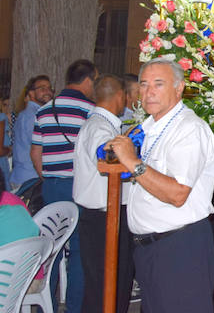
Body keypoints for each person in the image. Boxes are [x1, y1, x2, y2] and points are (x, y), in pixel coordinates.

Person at [106, 57, 214, 313]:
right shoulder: (148, 128)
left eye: (158, 84)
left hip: (180, 248)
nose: (149, 92)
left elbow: (177, 193)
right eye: (144, 85)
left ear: (179, 88)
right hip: (151, 249)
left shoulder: (189, 129)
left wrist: (133, 163)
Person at [31, 59, 97, 313]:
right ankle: (74, 308)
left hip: (52, 186)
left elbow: (36, 151)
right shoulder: (90, 109)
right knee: (79, 252)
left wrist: (49, 176)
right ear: (88, 79)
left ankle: (43, 306)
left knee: (50, 250)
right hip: (79, 188)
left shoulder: (45, 109)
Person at [73, 74, 135, 313]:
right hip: (103, 219)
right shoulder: (99, 126)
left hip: (105, 216)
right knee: (106, 288)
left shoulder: (101, 123)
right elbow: (106, 152)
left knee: (111, 285)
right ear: (120, 96)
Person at [10, 75, 52, 194]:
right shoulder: (32, 116)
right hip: (29, 178)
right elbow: (39, 148)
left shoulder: (31, 114)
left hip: (26, 176)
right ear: (31, 94)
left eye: (49, 88)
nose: (47, 92)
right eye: (42, 88)